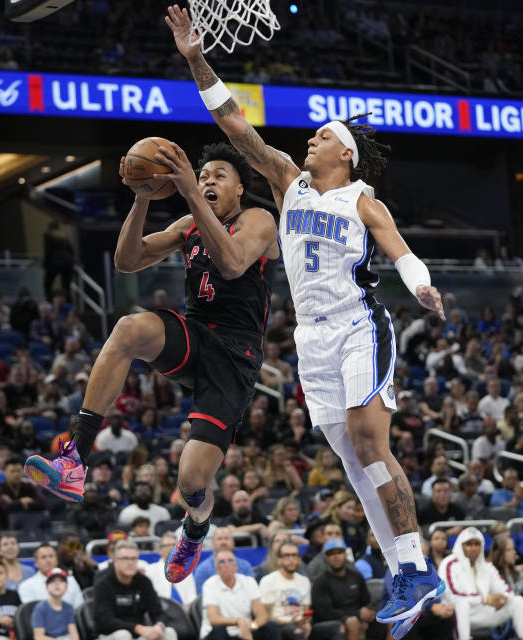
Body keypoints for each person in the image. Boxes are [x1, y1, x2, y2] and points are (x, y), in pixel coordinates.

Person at [165, 9, 445, 637]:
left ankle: (417, 566)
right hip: (309, 338)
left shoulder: (360, 199)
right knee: (351, 460)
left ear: (344, 153)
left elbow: (399, 250)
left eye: (321, 136)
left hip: (357, 323)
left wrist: (422, 285)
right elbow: (234, 125)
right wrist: (193, 59)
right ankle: (407, 573)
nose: (309, 141)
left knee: (372, 443)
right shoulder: (288, 183)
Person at [24, 140, 279, 586]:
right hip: (196, 335)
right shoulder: (189, 224)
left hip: (236, 357)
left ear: (240, 188)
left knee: (192, 482)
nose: (207, 182)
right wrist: (142, 197)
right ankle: (75, 460)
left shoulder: (259, 220)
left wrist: (190, 193)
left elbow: (235, 264)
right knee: (128, 328)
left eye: (219, 176)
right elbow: (126, 261)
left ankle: (195, 528)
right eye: (202, 176)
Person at [440, 528, 523, 640]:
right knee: (462, 604)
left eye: (477, 544)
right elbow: (452, 595)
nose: (473, 548)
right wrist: (485, 599)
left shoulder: (486, 565)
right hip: (458, 613)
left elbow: (505, 590)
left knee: (517, 601)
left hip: (483, 611)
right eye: (469, 544)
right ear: (461, 545)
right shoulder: (449, 563)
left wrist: (503, 598)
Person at [94, 540, 178, 640]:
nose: (130, 562)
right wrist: (138, 628)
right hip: (110, 635)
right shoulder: (103, 583)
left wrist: (159, 626)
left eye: (134, 558)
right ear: (115, 561)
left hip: (139, 633)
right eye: (125, 558)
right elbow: (105, 622)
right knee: (123, 635)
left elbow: (158, 612)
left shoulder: (143, 581)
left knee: (168, 632)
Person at [201, 549, 278, 640]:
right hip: (220, 633)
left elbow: (262, 614)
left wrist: (252, 626)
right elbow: (214, 619)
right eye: (222, 562)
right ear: (216, 569)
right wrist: (238, 622)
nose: (227, 565)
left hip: (246, 630)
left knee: (271, 626)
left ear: (236, 566)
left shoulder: (249, 581)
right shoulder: (209, 584)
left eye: (230, 560)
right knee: (219, 629)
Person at [310, 539, 373, 640]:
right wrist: (357, 615)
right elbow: (325, 613)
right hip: (332, 621)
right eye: (331, 554)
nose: (336, 557)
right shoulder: (320, 581)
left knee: (388, 620)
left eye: (339, 552)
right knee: (352, 622)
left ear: (345, 554)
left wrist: (365, 616)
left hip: (357, 617)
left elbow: (366, 601)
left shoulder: (356, 576)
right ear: (326, 558)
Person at [258, 543, 311, 639]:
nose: (291, 559)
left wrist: (305, 622)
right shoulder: (268, 581)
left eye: (294, 555)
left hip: (299, 624)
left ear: (299, 559)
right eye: (287, 555)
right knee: (297, 632)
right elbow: (265, 615)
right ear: (279, 560)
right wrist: (290, 621)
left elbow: (306, 610)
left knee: (336, 627)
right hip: (278, 626)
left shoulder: (305, 581)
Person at [18, 544, 84, 608]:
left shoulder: (70, 581)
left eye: (51, 556)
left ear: (57, 561)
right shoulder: (26, 586)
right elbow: (31, 613)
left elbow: (79, 608)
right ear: (36, 563)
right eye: (43, 557)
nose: (48, 560)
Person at [147, 533, 197, 607]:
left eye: (174, 545)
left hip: (185, 612)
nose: (171, 548)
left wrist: (189, 607)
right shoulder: (151, 570)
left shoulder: (186, 569)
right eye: (167, 545)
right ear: (160, 550)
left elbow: (192, 595)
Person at [0, 458, 45, 529]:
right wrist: (22, 502)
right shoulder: (0, 488)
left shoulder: (28, 486)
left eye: (18, 471)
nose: (16, 474)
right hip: (5, 528)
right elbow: (6, 506)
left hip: (29, 525)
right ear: (5, 472)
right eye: (12, 471)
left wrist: (13, 503)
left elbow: (42, 503)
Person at [30, 569, 79, 640]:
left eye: (61, 581)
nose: (57, 584)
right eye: (52, 581)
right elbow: (39, 637)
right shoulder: (40, 608)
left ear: (66, 587)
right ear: (47, 587)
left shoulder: (69, 608)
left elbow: (74, 634)